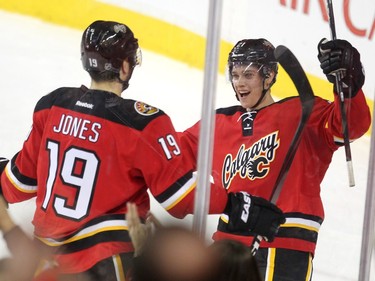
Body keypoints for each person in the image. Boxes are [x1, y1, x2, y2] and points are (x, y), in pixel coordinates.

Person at [0, 21, 285, 280]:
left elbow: (17, 185)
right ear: (125, 67)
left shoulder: (53, 105)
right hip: (104, 265)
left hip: (45, 264)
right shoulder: (141, 122)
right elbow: (180, 199)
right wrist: (236, 205)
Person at [180, 38, 371, 280]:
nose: (240, 83)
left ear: (269, 76)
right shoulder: (219, 123)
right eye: (236, 75)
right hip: (229, 243)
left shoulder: (303, 113)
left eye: (248, 75)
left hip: (286, 241)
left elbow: (351, 126)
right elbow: (170, 153)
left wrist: (349, 83)